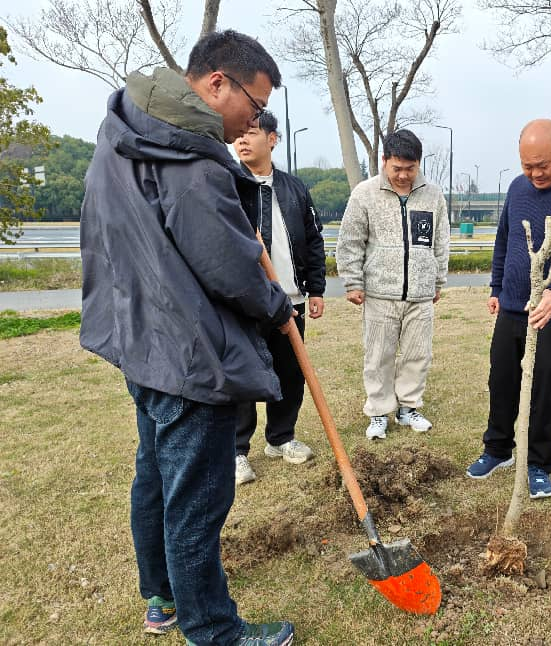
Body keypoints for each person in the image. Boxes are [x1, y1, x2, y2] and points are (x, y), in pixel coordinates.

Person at [79, 30, 296, 646]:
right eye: (255, 106)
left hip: (139, 341)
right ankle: (213, 629)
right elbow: (229, 268)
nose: (253, 121)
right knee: (196, 498)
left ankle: (162, 599)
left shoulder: (121, 134)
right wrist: (276, 305)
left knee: (154, 476)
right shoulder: (192, 161)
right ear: (218, 82)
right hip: (187, 354)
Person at [465, 119, 551, 500]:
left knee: (546, 386)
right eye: (527, 166)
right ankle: (498, 449)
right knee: (502, 378)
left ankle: (539, 463)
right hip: (513, 306)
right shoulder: (516, 188)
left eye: (542, 165)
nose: (535, 174)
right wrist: (496, 287)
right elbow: (505, 239)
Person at [336, 129, 450, 440]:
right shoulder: (364, 193)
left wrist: (437, 279)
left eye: (410, 169)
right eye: (397, 168)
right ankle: (378, 411)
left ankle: (408, 407)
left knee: (418, 355)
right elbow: (350, 241)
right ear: (385, 160)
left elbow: (440, 241)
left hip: (420, 294)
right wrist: (352, 281)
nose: (403, 175)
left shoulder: (433, 196)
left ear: (418, 164)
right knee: (378, 356)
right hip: (379, 293)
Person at [231, 111, 325, 485]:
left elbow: (313, 239)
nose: (242, 140)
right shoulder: (229, 186)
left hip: (291, 301)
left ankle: (281, 438)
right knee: (243, 376)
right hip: (246, 303)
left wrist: (316, 288)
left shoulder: (294, 188)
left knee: (290, 374)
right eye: (239, 134)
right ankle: (237, 451)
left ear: (272, 139)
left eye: (252, 132)